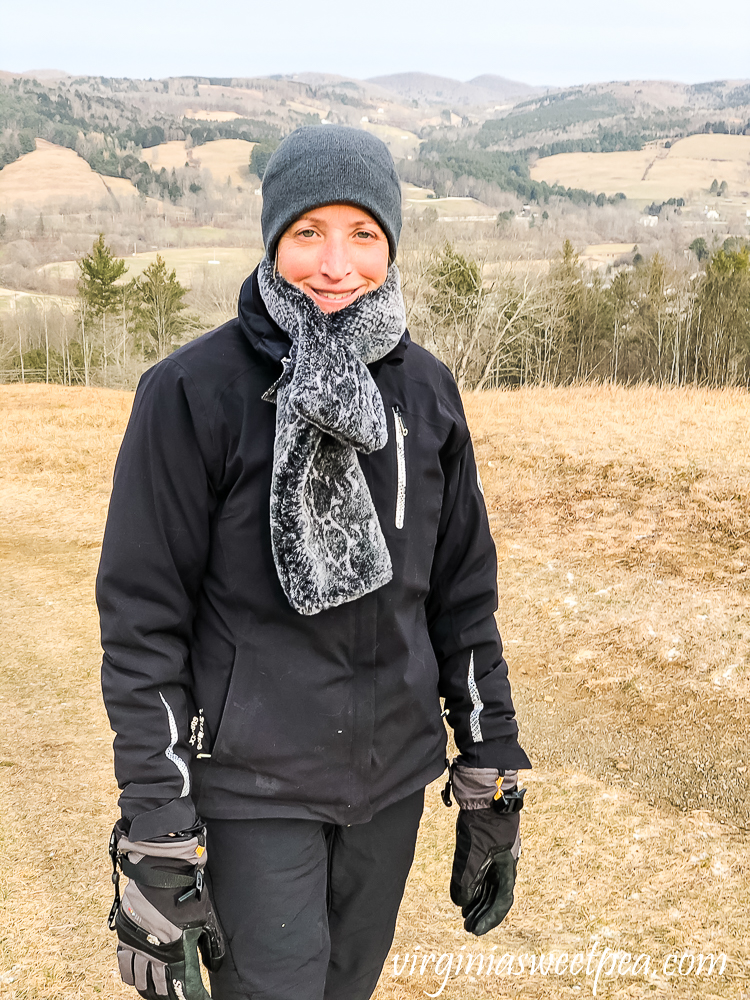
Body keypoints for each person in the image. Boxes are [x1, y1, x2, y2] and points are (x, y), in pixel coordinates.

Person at [98, 125, 530, 1000]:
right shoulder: (194, 392)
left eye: (362, 234)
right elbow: (144, 622)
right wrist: (156, 826)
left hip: (391, 785)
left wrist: (491, 766)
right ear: (273, 238)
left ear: (391, 244)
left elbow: (462, 598)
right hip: (253, 790)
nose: (336, 264)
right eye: (309, 233)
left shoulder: (427, 393)